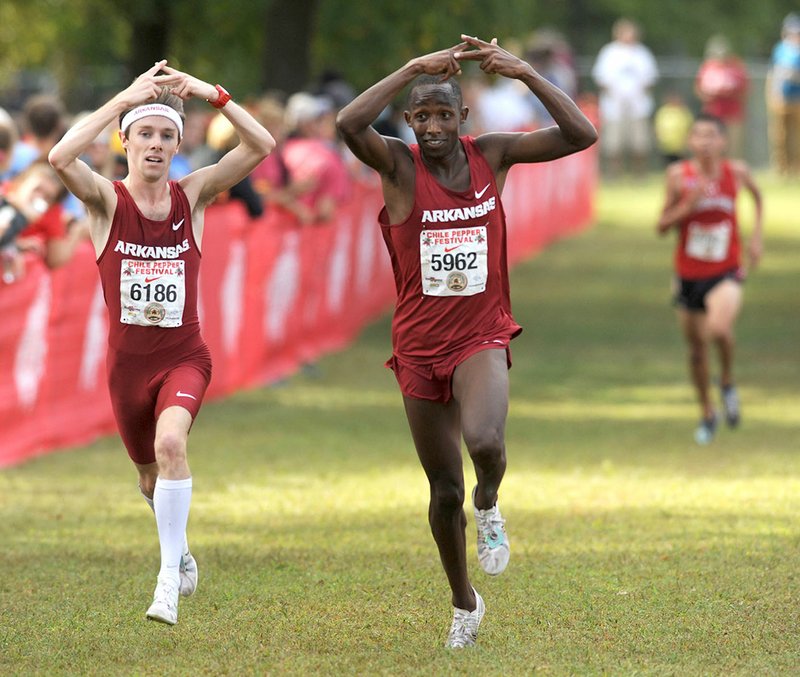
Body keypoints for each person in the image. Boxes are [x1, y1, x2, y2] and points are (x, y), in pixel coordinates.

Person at [336, 34, 597, 648]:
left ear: (463, 117)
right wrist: (409, 66)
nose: (431, 125)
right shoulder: (397, 165)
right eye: (421, 114)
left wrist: (527, 73)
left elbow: (582, 135)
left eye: (443, 113)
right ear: (408, 118)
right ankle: (464, 603)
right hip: (420, 347)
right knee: (441, 488)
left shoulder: (493, 155)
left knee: (484, 443)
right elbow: (348, 123)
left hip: (481, 333)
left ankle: (490, 505)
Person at [48, 60, 275, 625]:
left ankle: (167, 580)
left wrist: (209, 93)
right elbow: (59, 157)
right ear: (125, 141)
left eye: (166, 136)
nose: (155, 144)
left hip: (184, 358)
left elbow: (261, 144)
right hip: (126, 370)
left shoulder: (191, 196)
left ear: (178, 145)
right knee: (150, 478)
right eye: (145, 134)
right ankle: (182, 549)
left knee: (173, 445)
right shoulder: (105, 201)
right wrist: (123, 99)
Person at [656, 113, 762, 445]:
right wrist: (688, 206)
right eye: (698, 135)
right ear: (690, 142)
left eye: (711, 135)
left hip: (725, 270)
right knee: (697, 352)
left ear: (722, 141)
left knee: (718, 329)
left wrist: (756, 237)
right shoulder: (677, 176)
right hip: (688, 275)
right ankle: (707, 412)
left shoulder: (737, 172)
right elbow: (661, 226)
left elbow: (758, 198)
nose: (704, 141)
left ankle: (727, 380)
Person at [592, 18, 659, 178]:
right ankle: (615, 174)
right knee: (614, 144)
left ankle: (639, 175)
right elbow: (601, 78)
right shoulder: (609, 52)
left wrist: (637, 92)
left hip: (638, 106)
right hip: (614, 106)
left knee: (640, 144)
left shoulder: (643, 53)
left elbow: (650, 78)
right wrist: (615, 93)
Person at [694, 35, 749, 159]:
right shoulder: (707, 66)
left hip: (733, 113)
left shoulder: (736, 66)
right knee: (713, 146)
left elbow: (745, 89)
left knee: (734, 146)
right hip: (713, 113)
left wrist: (730, 92)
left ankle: (731, 173)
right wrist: (709, 95)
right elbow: (699, 88)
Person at [766, 13, 800, 177]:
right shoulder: (780, 49)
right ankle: (782, 168)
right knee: (780, 136)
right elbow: (775, 74)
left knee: (797, 136)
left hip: (798, 98)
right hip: (782, 98)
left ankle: (796, 167)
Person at [654, 91, 694, 166]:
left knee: (680, 164)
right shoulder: (663, 111)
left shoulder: (684, 111)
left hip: (681, 145)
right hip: (666, 145)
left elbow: (690, 127)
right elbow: (658, 126)